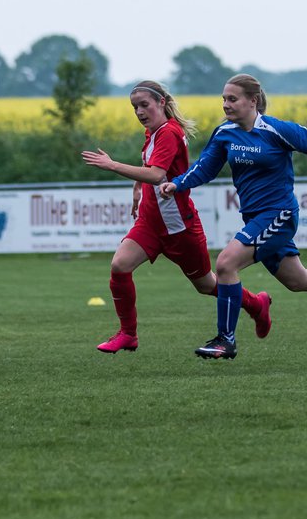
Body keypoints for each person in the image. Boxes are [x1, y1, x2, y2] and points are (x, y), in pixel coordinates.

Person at [158, 73, 307, 360]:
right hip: (255, 218)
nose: (226, 104)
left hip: (280, 215)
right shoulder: (225, 133)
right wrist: (178, 183)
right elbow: (204, 168)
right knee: (298, 280)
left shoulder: (276, 130)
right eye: (224, 99)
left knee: (226, 264)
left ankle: (225, 341)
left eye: (232, 99)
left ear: (253, 101)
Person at [81, 79, 271, 353]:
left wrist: (112, 165)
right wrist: (137, 189)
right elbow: (149, 166)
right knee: (120, 266)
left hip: (179, 228)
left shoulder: (169, 132)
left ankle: (256, 304)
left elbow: (157, 174)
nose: (139, 112)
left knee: (206, 285)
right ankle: (128, 334)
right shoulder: (153, 132)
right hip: (150, 223)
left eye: (144, 105)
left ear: (161, 102)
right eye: (135, 107)